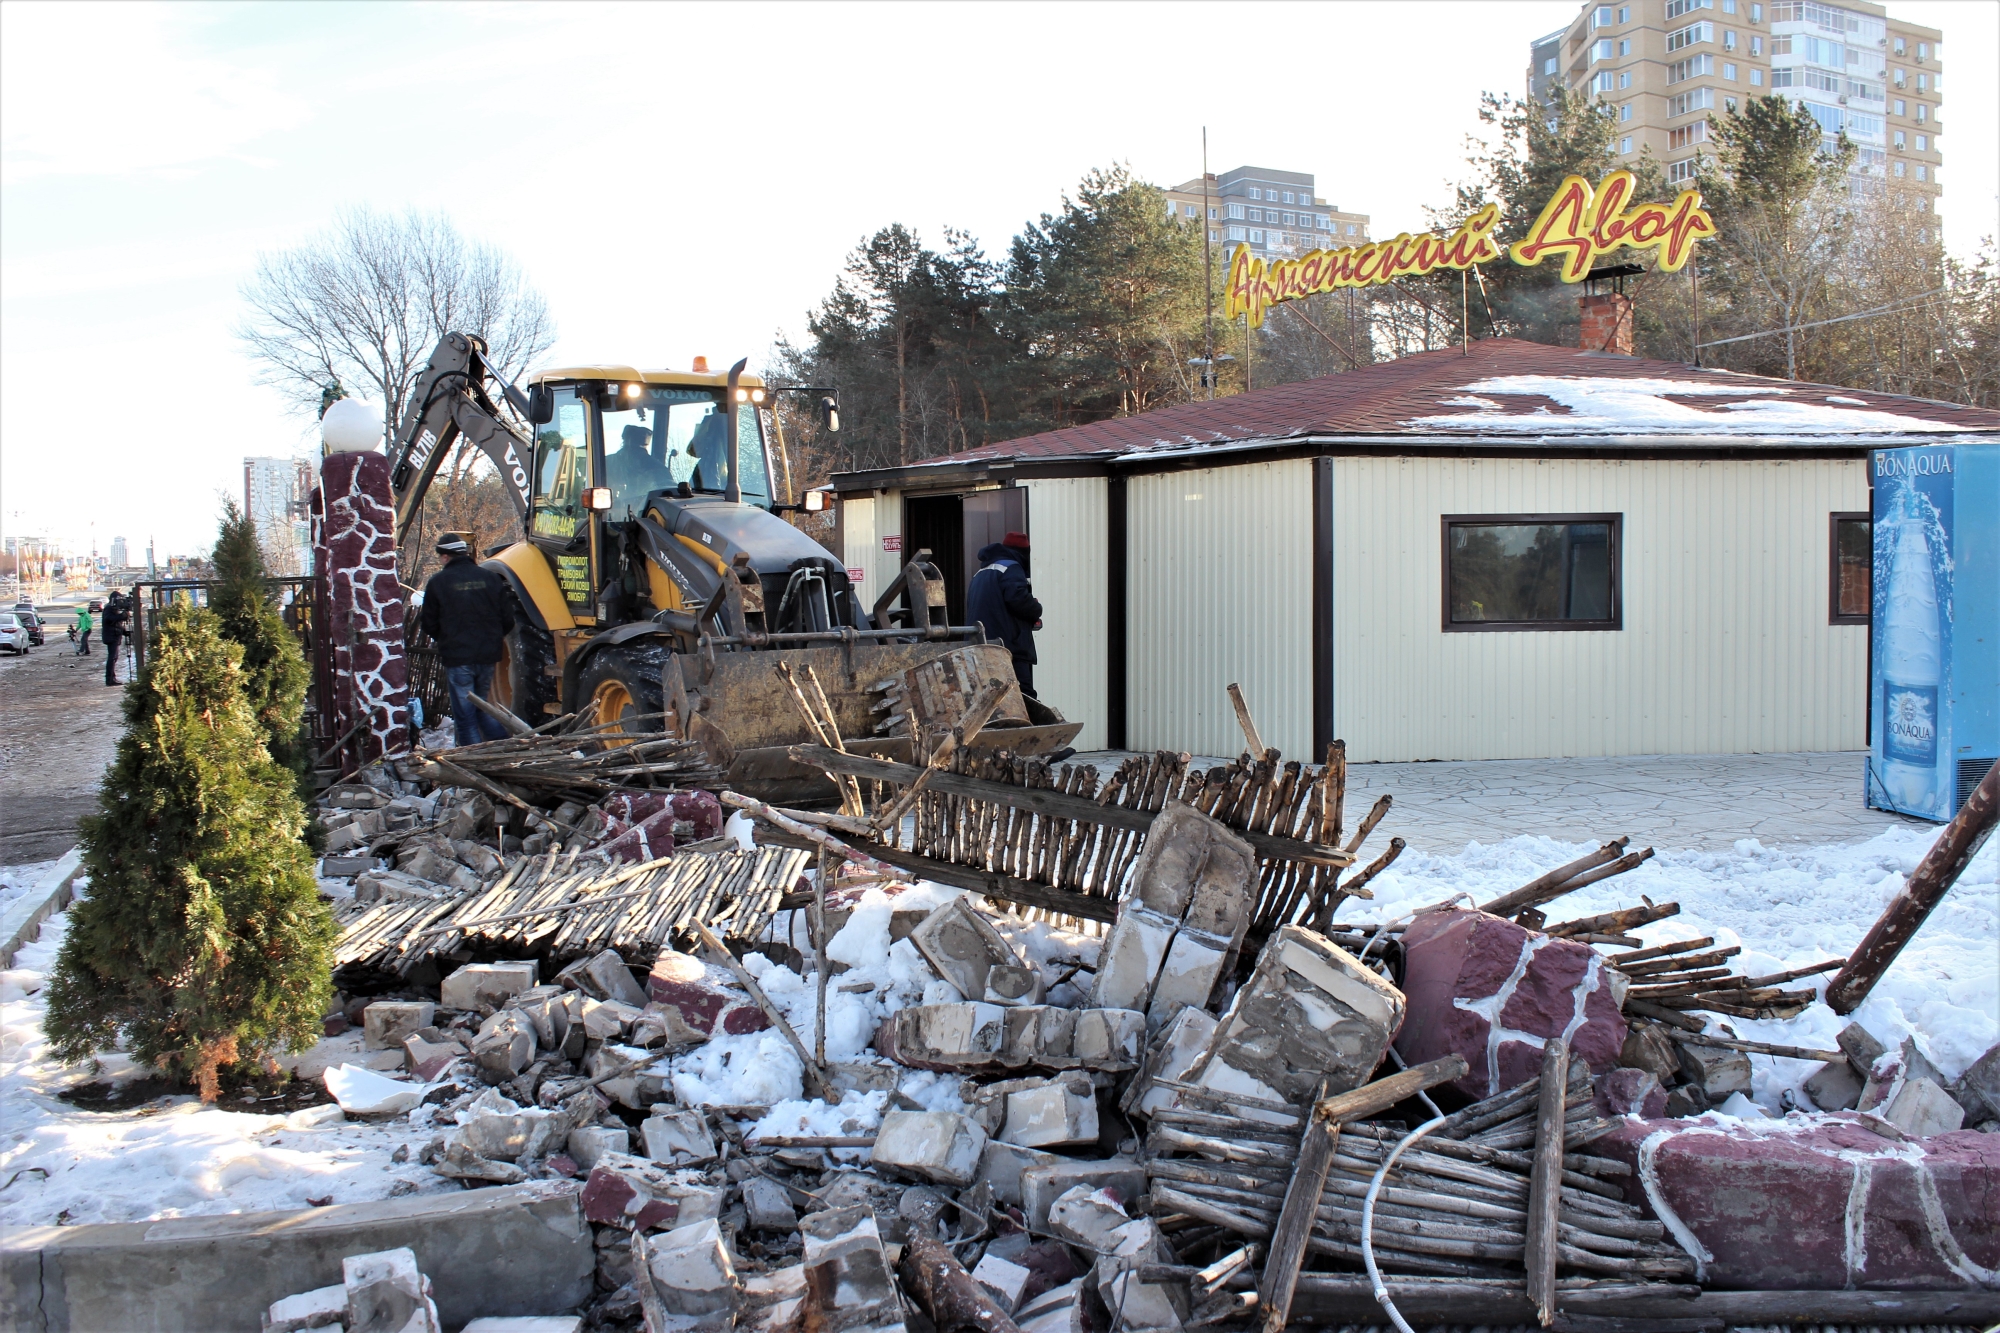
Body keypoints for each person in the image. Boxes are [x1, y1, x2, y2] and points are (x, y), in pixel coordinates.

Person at [419, 534, 517, 746]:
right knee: (481, 706)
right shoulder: (490, 578)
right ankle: (503, 748)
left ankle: (474, 760)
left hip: (458, 657)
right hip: (487, 655)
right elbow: (507, 619)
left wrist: (448, 639)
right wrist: (491, 639)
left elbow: (429, 623)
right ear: (464, 552)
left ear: (445, 556)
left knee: (465, 716)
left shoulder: (438, 582)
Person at [966, 530, 1042, 697]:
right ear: (1023, 552)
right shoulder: (1012, 567)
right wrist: (1036, 609)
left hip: (982, 645)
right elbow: (1018, 599)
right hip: (1009, 647)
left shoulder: (982, 572)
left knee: (992, 697)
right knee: (1024, 696)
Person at [100, 591, 129, 686]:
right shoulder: (109, 608)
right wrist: (122, 616)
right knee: (112, 658)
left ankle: (112, 677)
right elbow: (109, 619)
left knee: (114, 658)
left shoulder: (112, 608)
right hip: (111, 636)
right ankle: (109, 679)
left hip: (114, 636)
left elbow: (117, 623)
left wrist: (125, 632)